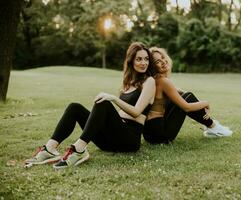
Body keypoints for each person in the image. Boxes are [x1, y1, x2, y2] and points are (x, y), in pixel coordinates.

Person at [25, 42, 156, 169]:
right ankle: (50, 148)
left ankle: (79, 149)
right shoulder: (129, 82)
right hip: (109, 141)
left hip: (129, 141)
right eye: (139, 59)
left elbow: (137, 111)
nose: (143, 63)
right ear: (131, 61)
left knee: (104, 102)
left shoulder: (149, 81)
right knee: (74, 107)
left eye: (146, 59)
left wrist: (114, 98)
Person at [143, 47, 232, 144]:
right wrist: (206, 103)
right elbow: (187, 108)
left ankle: (212, 126)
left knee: (187, 96)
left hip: (150, 134)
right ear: (152, 67)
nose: (163, 62)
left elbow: (180, 92)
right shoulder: (162, 81)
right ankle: (213, 127)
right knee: (188, 97)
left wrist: (199, 102)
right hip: (159, 136)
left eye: (163, 58)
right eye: (157, 62)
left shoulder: (157, 80)